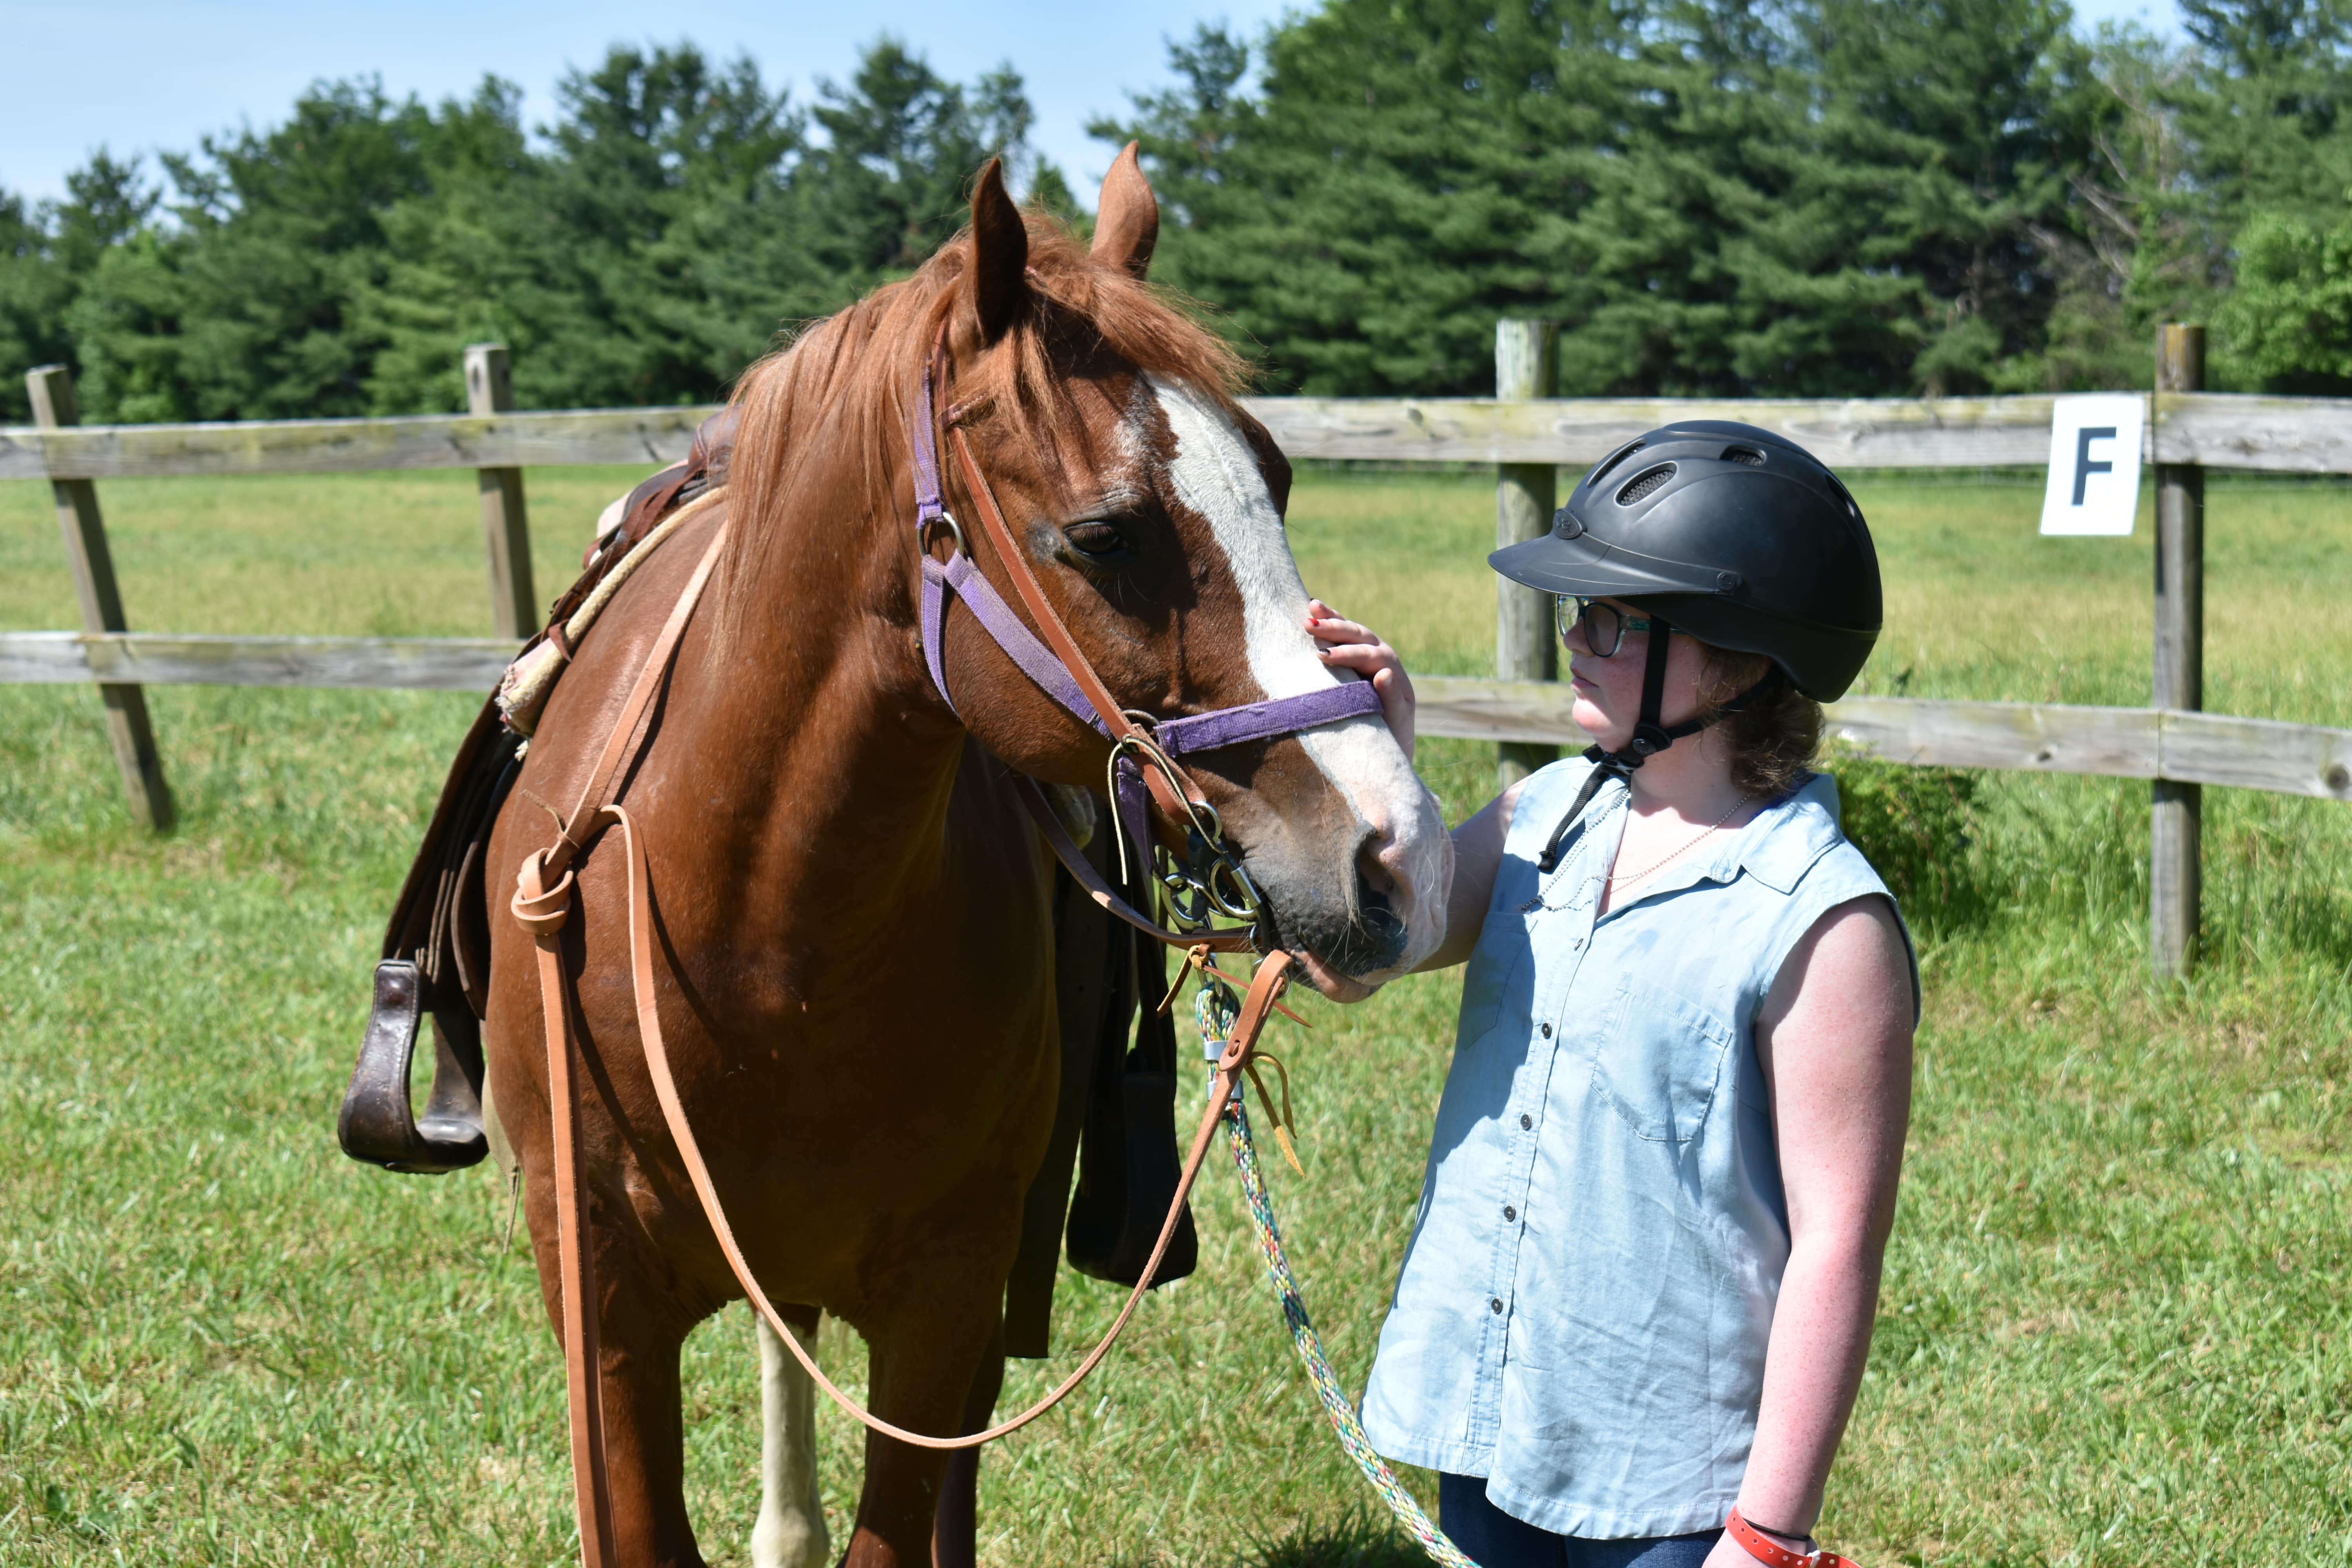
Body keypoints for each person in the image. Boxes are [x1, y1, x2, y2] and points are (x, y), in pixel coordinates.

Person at [1307, 421, 1920, 1568]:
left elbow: (1838, 1244)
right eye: (1579, 612)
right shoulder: (1552, 812)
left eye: (1615, 619)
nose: (1575, 640)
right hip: (1491, 1426)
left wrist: (1769, 1534)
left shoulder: (1822, 921)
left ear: (1736, 658)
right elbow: (1376, 949)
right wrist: (1367, 759)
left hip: (1669, 1487)